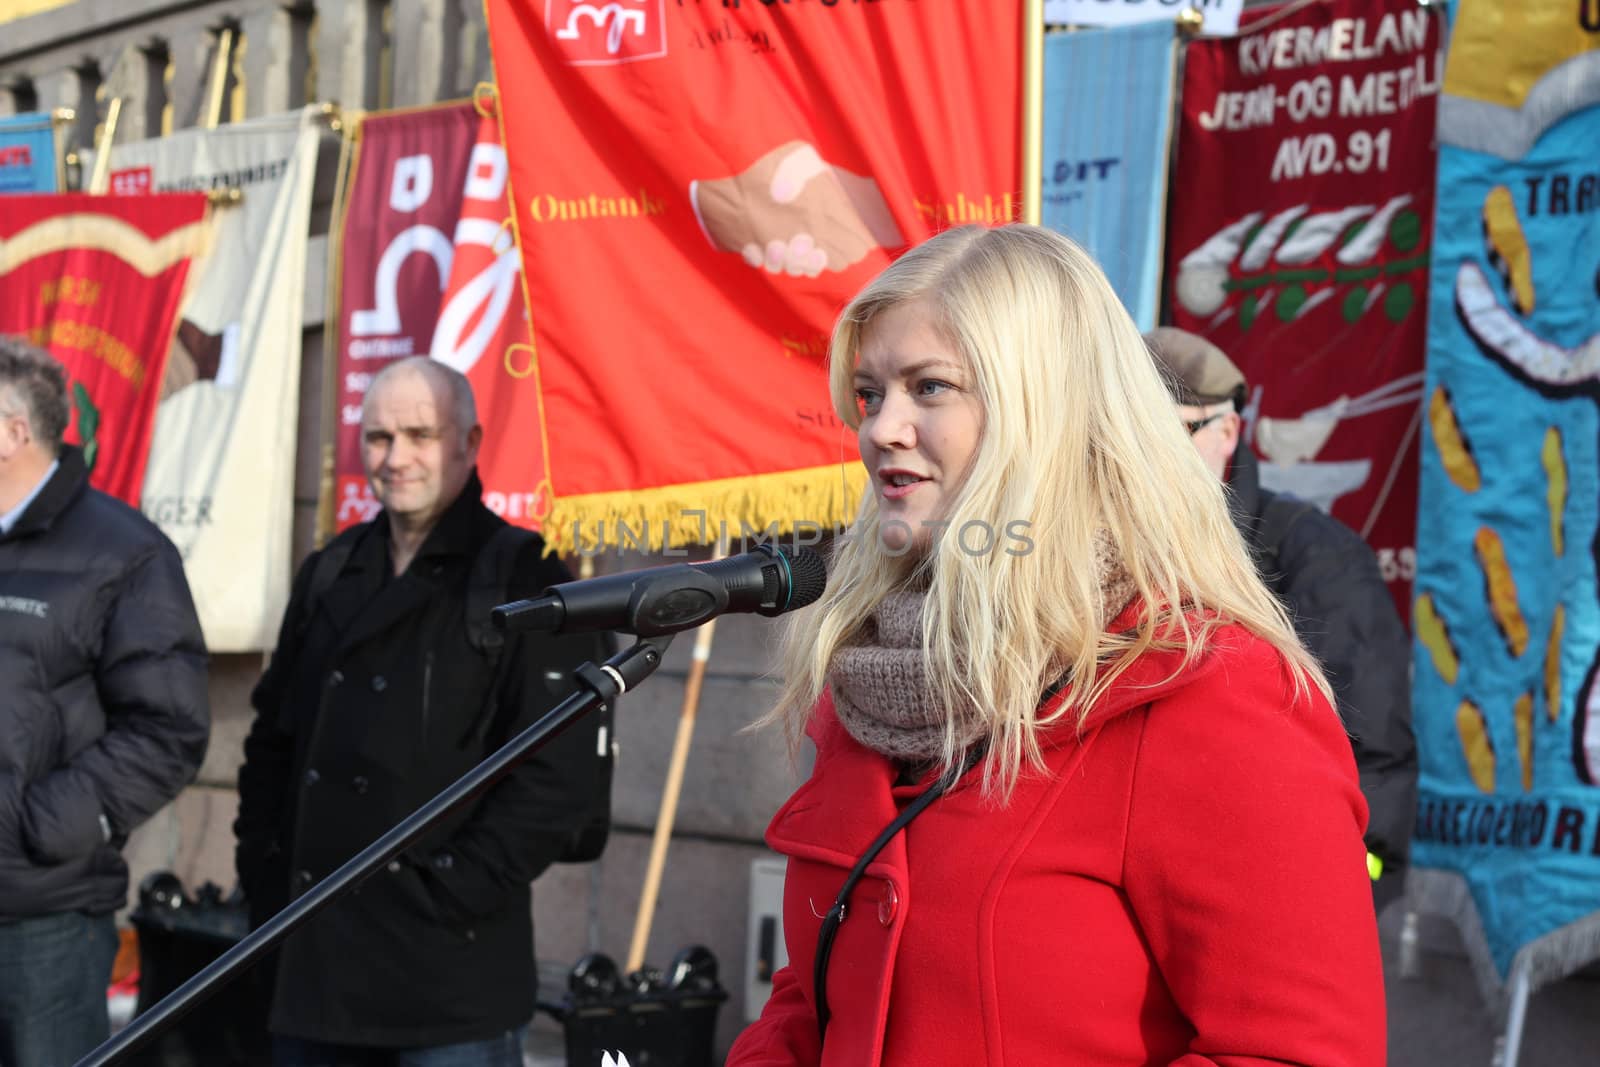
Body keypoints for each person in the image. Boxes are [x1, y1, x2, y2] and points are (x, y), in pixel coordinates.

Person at [726, 225, 1385, 1066]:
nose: (883, 427)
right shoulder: (866, 680)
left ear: (1048, 413)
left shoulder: (1211, 690)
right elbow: (817, 993)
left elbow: (1300, 1050)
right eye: (869, 392)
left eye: (929, 387)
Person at [235, 357, 610, 1067]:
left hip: (448, 981)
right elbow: (271, 743)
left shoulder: (528, 574)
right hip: (314, 968)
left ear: (469, 442)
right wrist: (263, 869)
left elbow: (558, 778)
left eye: (419, 434)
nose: (396, 457)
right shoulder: (331, 568)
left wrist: (449, 887)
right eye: (378, 438)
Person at [1144, 326, 1418, 915]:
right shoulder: (1088, 551)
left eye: (1171, 432)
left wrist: (1324, 902)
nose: (1148, 456)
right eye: (1131, 433)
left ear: (1228, 431)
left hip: (1273, 901)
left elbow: (1373, 760)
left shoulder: (1318, 558)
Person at [0, 336, 210, 1066]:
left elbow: (169, 730)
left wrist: (45, 824)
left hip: (43, 917)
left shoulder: (124, 552)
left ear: (12, 431)